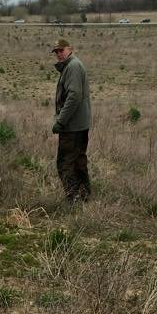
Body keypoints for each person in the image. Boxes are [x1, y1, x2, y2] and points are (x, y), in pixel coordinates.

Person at [51, 37, 92, 204]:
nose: (58, 54)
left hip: (72, 126)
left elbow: (74, 96)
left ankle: (73, 198)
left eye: (61, 50)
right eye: (56, 52)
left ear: (70, 49)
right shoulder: (73, 65)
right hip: (79, 124)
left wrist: (61, 121)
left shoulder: (73, 66)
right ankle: (84, 195)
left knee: (65, 163)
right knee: (78, 161)